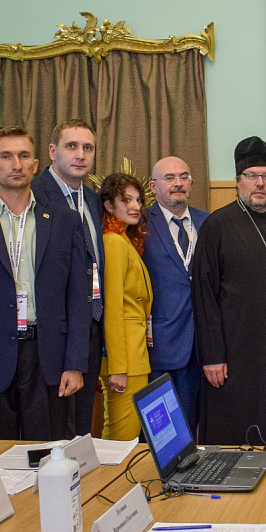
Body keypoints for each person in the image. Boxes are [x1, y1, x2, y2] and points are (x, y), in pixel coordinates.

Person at [0, 126, 88, 448]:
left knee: (49, 459)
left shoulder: (65, 221)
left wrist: (75, 363)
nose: (16, 164)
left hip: (49, 359)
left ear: (35, 164)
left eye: (24, 156)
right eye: (6, 156)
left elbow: (77, 298)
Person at [192, 136, 266, 445]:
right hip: (235, 352)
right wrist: (212, 356)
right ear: (238, 181)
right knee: (238, 433)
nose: (259, 183)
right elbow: (203, 296)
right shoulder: (217, 226)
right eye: (251, 176)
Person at [32, 120, 104, 437]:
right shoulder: (34, 196)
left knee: (82, 427)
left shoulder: (92, 200)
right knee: (56, 431)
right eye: (71, 146)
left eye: (87, 148)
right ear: (52, 151)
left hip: (91, 325)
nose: (80, 155)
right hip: (53, 331)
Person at [143, 156, 209, 436]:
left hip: (203, 347)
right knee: (163, 434)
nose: (178, 183)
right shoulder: (140, 224)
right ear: (153, 186)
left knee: (197, 429)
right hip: (161, 345)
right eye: (169, 178)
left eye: (183, 177)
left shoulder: (208, 222)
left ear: (191, 183)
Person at [99, 172, 153, 440]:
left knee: (125, 437)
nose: (135, 206)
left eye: (138, 200)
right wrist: (118, 367)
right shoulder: (113, 242)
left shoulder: (124, 240)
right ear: (109, 205)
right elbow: (112, 308)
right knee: (121, 440)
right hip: (126, 361)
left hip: (135, 354)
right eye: (126, 200)